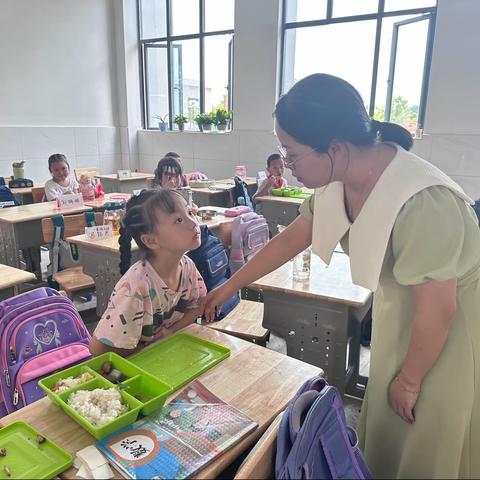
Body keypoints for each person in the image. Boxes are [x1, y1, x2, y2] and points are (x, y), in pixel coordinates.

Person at [204, 73, 480, 479]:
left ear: (334, 146)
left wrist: (410, 378)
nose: (288, 165)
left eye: (293, 154)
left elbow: (439, 310)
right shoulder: (338, 180)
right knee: (385, 437)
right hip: (401, 324)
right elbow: (288, 241)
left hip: (446, 341)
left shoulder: (425, 202)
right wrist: (229, 285)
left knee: (425, 444)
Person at [89, 189, 207, 357]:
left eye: (189, 212)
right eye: (179, 220)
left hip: (163, 356)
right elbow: (97, 349)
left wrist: (171, 332)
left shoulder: (187, 267)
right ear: (150, 240)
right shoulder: (136, 286)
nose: (194, 222)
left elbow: (196, 306)